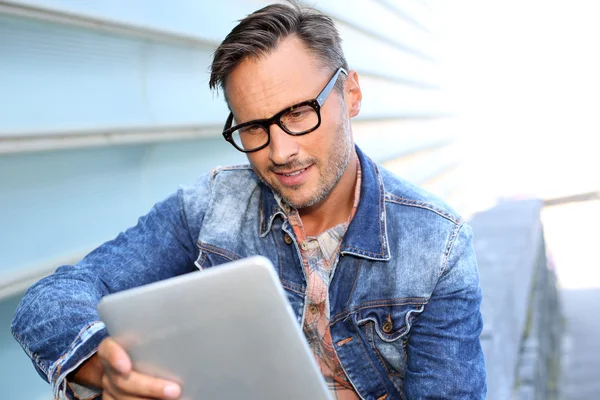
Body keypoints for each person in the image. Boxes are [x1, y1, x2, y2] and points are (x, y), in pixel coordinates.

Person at [12, 3, 486, 399]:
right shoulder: (212, 205)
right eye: (254, 128)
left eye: (300, 113)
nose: (281, 152)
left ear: (352, 94)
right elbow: (49, 301)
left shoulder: (437, 246)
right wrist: (104, 371)